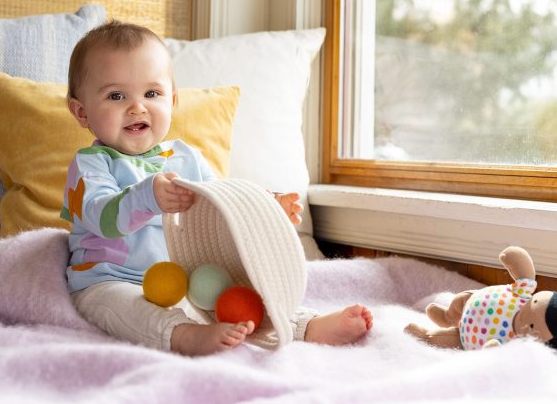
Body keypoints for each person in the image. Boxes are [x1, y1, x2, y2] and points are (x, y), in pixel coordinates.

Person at [62, 19, 374, 356]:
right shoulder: (91, 164)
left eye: (152, 93)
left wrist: (263, 207)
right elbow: (101, 216)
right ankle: (184, 336)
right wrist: (148, 197)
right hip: (111, 280)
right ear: (82, 112)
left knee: (240, 292)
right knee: (126, 307)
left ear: (173, 100)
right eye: (116, 95)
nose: (138, 107)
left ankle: (303, 324)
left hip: (185, 281)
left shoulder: (185, 157)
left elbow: (222, 207)